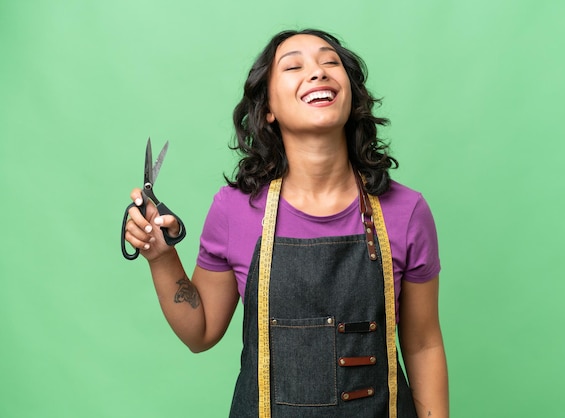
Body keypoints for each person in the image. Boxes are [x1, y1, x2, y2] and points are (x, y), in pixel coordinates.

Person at [124, 28, 449, 417]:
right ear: (267, 110)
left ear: (352, 94)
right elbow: (201, 332)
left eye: (330, 63)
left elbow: (423, 344)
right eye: (294, 66)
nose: (317, 72)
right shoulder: (234, 210)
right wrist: (161, 258)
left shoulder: (406, 210)